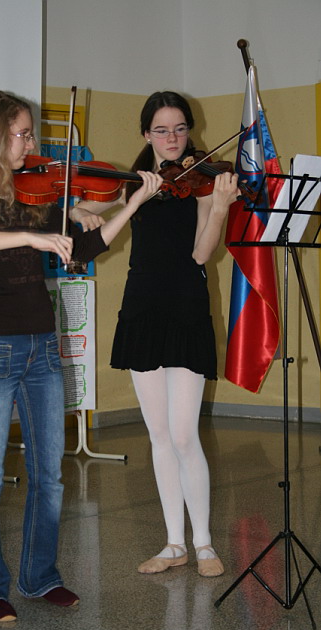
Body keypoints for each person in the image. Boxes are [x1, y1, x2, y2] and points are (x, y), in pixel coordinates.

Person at [0, 89, 162, 622]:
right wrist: (31, 241)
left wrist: (130, 205)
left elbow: (83, 246)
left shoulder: (32, 191)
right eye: (22, 133)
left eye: (29, 133)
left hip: (41, 346)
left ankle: (40, 578)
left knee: (49, 475)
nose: (31, 143)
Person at [72, 91, 240, 578]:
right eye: (162, 130)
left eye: (180, 128)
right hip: (142, 308)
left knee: (185, 435)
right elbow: (76, 210)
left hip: (185, 307)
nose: (173, 138)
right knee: (160, 435)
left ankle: (203, 543)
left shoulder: (202, 182)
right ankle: (173, 544)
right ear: (146, 133)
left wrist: (221, 206)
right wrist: (81, 212)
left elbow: (201, 254)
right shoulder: (133, 183)